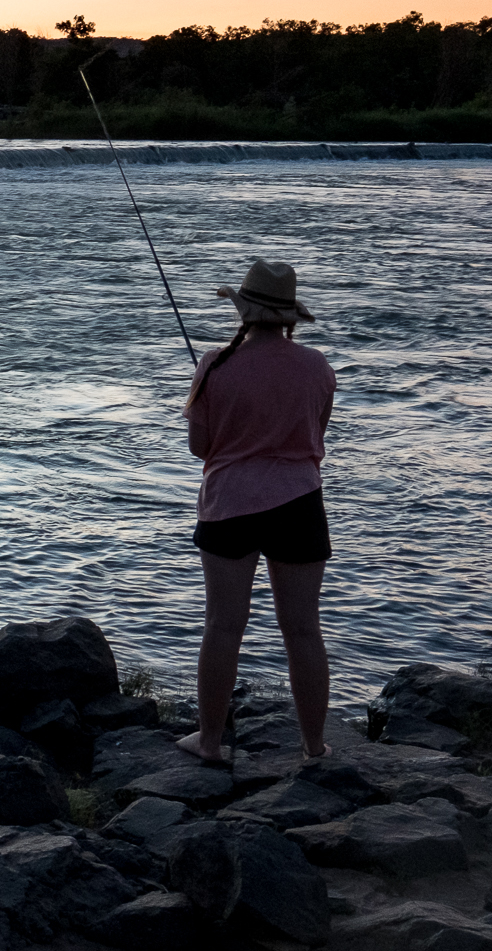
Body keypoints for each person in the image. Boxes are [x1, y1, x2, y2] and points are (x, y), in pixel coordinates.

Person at [178, 259, 336, 763]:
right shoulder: (318, 367)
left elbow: (200, 448)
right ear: (290, 317)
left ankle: (209, 741)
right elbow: (315, 437)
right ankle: (314, 746)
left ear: (243, 311)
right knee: (304, 628)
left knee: (224, 626)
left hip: (230, 504)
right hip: (299, 502)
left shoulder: (213, 364)